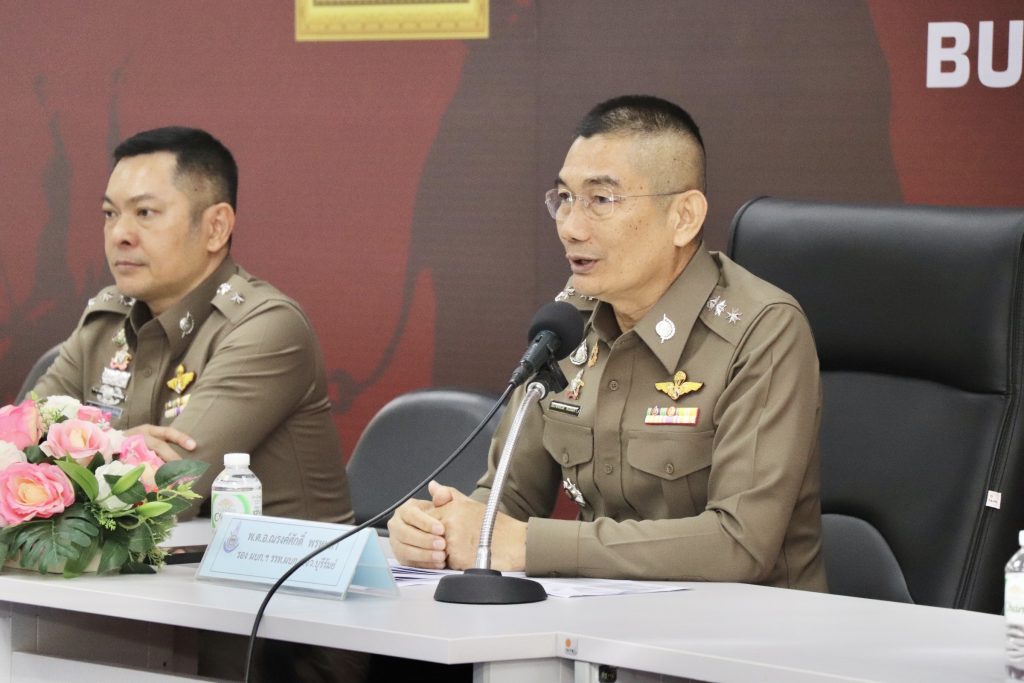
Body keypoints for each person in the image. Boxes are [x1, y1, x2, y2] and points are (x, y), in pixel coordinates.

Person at [389, 95, 828, 591]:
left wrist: (530, 545)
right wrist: (439, 532)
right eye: (564, 198)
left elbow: (739, 545)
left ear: (683, 217)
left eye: (601, 200)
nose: (571, 227)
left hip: (745, 631)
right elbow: (507, 502)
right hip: (601, 626)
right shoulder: (567, 321)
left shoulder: (762, 330)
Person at [31, 126, 365, 681]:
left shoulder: (265, 327)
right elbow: (14, 451)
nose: (120, 235)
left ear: (215, 227)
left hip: (276, 637)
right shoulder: (107, 319)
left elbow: (167, 494)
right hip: (145, 610)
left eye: (145, 213)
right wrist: (119, 446)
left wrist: (82, 451)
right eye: (110, 214)